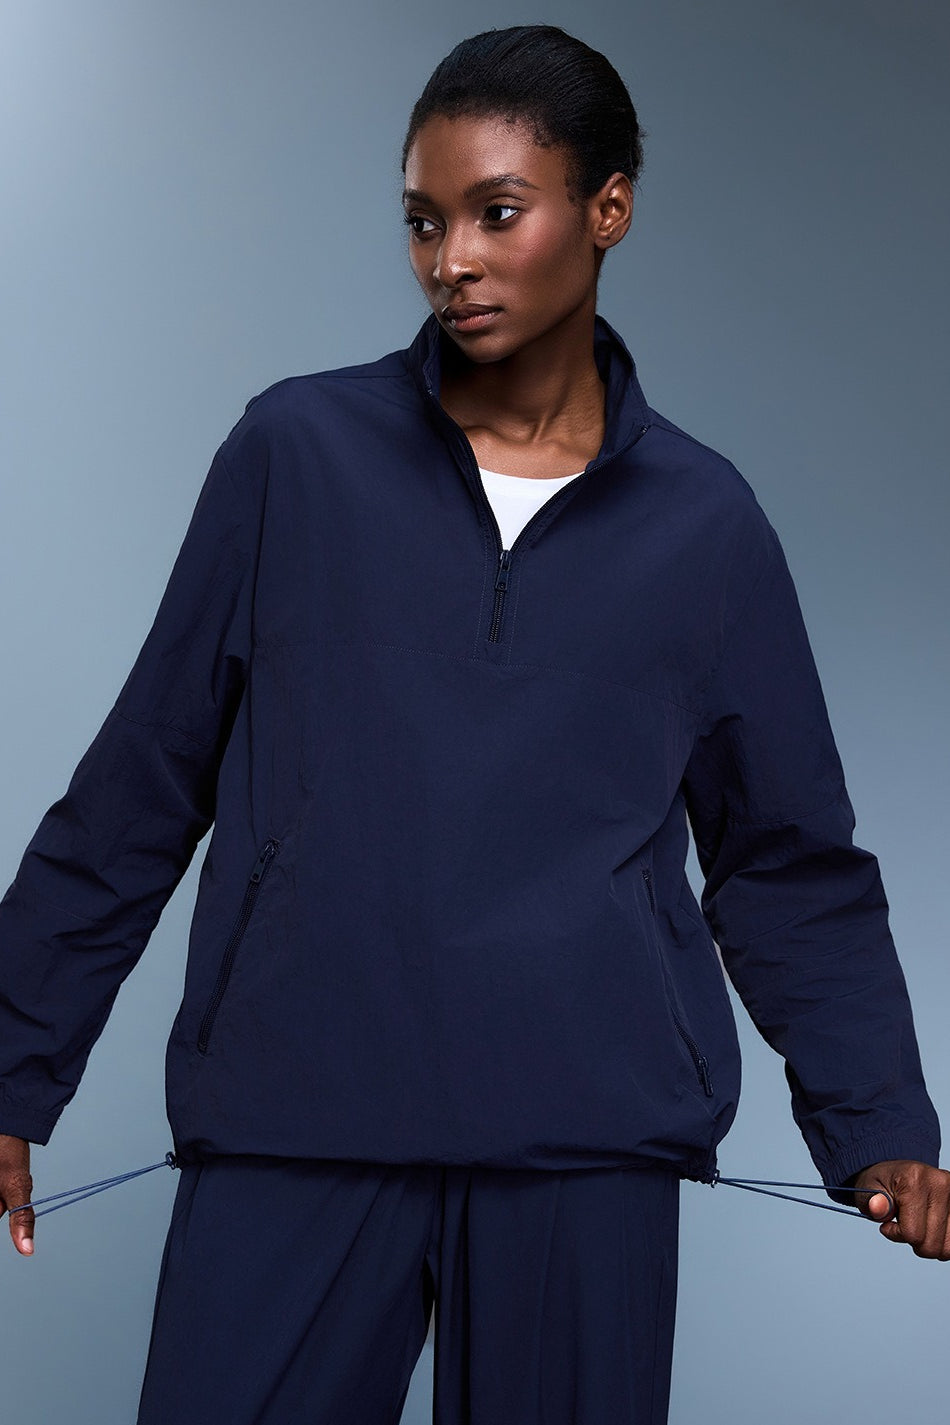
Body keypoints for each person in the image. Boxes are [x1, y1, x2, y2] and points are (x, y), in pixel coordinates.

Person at [1, 21, 947, 1424]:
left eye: (497, 212)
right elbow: (140, 784)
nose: (452, 258)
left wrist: (878, 1121)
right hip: (295, 1119)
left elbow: (785, 861)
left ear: (607, 210)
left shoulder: (707, 527)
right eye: (423, 221)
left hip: (584, 1151)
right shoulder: (295, 457)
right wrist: (11, 1067)